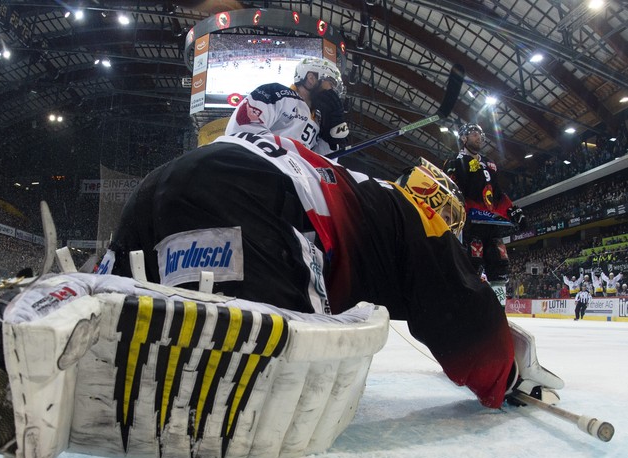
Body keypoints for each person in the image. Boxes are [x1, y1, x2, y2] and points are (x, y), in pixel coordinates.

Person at [100, 131, 561, 411]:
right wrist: (505, 375)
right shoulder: (418, 214)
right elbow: (457, 312)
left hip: (161, 184)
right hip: (249, 192)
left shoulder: (367, 192)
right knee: (278, 379)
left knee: (113, 300)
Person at [444, 123, 526, 305]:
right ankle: (469, 309)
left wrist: (512, 211)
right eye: (474, 134)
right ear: (464, 138)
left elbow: (497, 193)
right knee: (471, 266)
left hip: (491, 225)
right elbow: (451, 192)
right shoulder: (455, 162)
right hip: (470, 225)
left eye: (480, 134)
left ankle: (499, 311)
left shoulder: (489, 163)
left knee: (499, 265)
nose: (479, 137)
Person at [225, 56, 349, 156]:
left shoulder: (319, 119)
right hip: (261, 169)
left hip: (290, 178)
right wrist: (289, 159)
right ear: (311, 78)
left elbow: (321, 164)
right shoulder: (276, 92)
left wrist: (332, 138)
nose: (333, 91)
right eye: (331, 84)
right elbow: (243, 131)